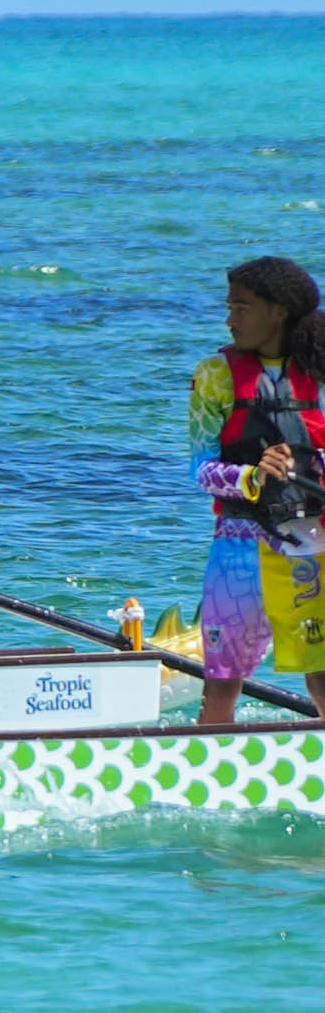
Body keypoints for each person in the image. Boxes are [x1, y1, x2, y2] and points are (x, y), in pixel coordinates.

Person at [193, 258, 325, 731]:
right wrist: (252, 476)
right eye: (230, 307)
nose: (230, 319)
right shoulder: (215, 375)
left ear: (278, 311)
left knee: (322, 675)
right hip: (238, 545)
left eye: (241, 308)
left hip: (307, 543)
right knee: (222, 682)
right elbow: (201, 469)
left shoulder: (319, 369)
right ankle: (206, 773)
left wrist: (313, 467)